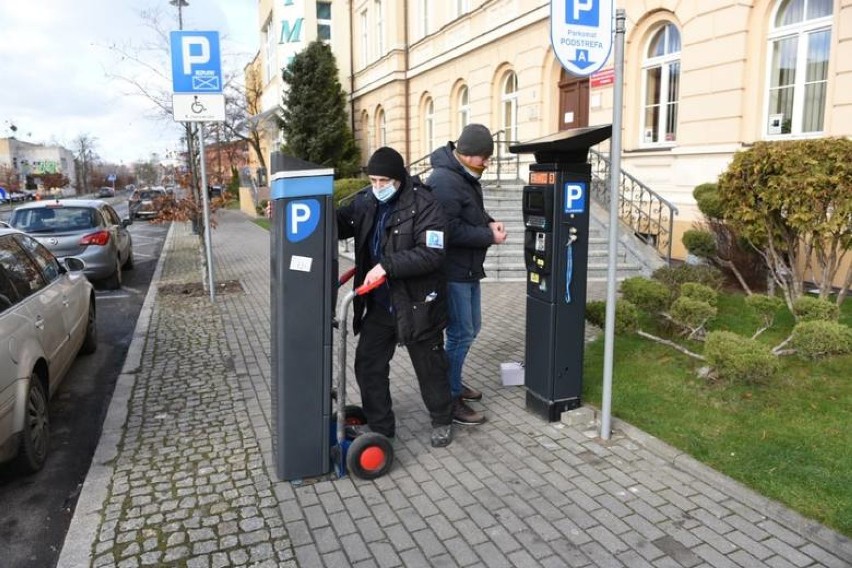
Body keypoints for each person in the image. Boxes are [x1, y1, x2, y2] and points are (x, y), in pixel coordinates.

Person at [337, 146, 454, 448]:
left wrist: (387, 266)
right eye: (373, 180)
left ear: (399, 178)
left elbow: (432, 253)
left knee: (430, 368)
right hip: (380, 303)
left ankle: (442, 419)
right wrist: (287, 212)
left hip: (416, 303)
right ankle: (381, 427)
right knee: (368, 365)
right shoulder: (366, 202)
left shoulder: (425, 203)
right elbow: (337, 223)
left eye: (383, 181)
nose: (377, 187)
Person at [428, 124, 508, 425]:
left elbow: (471, 212)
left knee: (470, 328)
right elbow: (447, 229)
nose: (486, 163)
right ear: (468, 153)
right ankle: (448, 398)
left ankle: (453, 381)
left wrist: (490, 222)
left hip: (468, 269)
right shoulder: (445, 181)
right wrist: (488, 236)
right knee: (461, 333)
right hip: (453, 271)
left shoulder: (463, 175)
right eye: (484, 158)